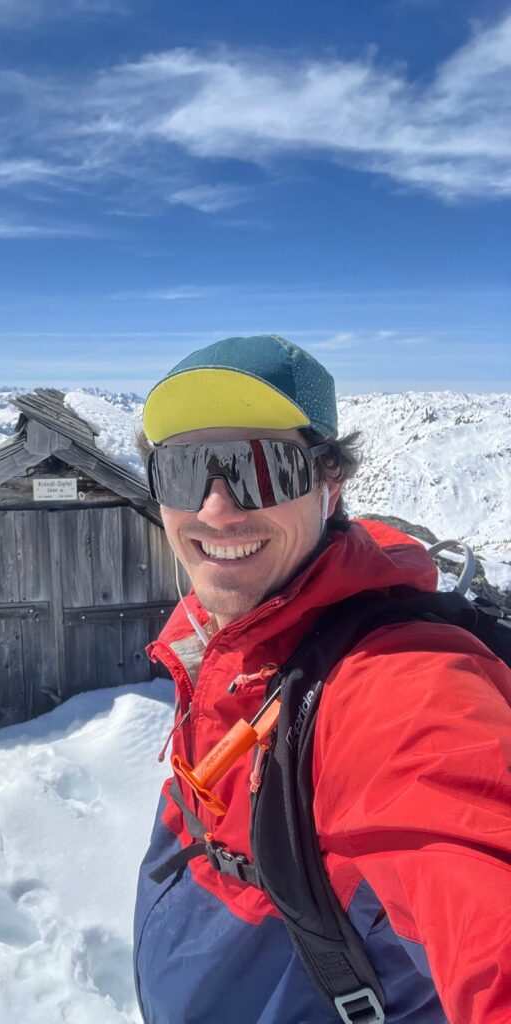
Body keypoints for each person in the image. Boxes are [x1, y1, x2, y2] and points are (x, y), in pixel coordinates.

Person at [133, 335, 511, 1024]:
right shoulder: (216, 640)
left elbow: (473, 857)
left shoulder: (395, 684)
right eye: (184, 471)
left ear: (329, 484)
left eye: (264, 468)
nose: (216, 510)